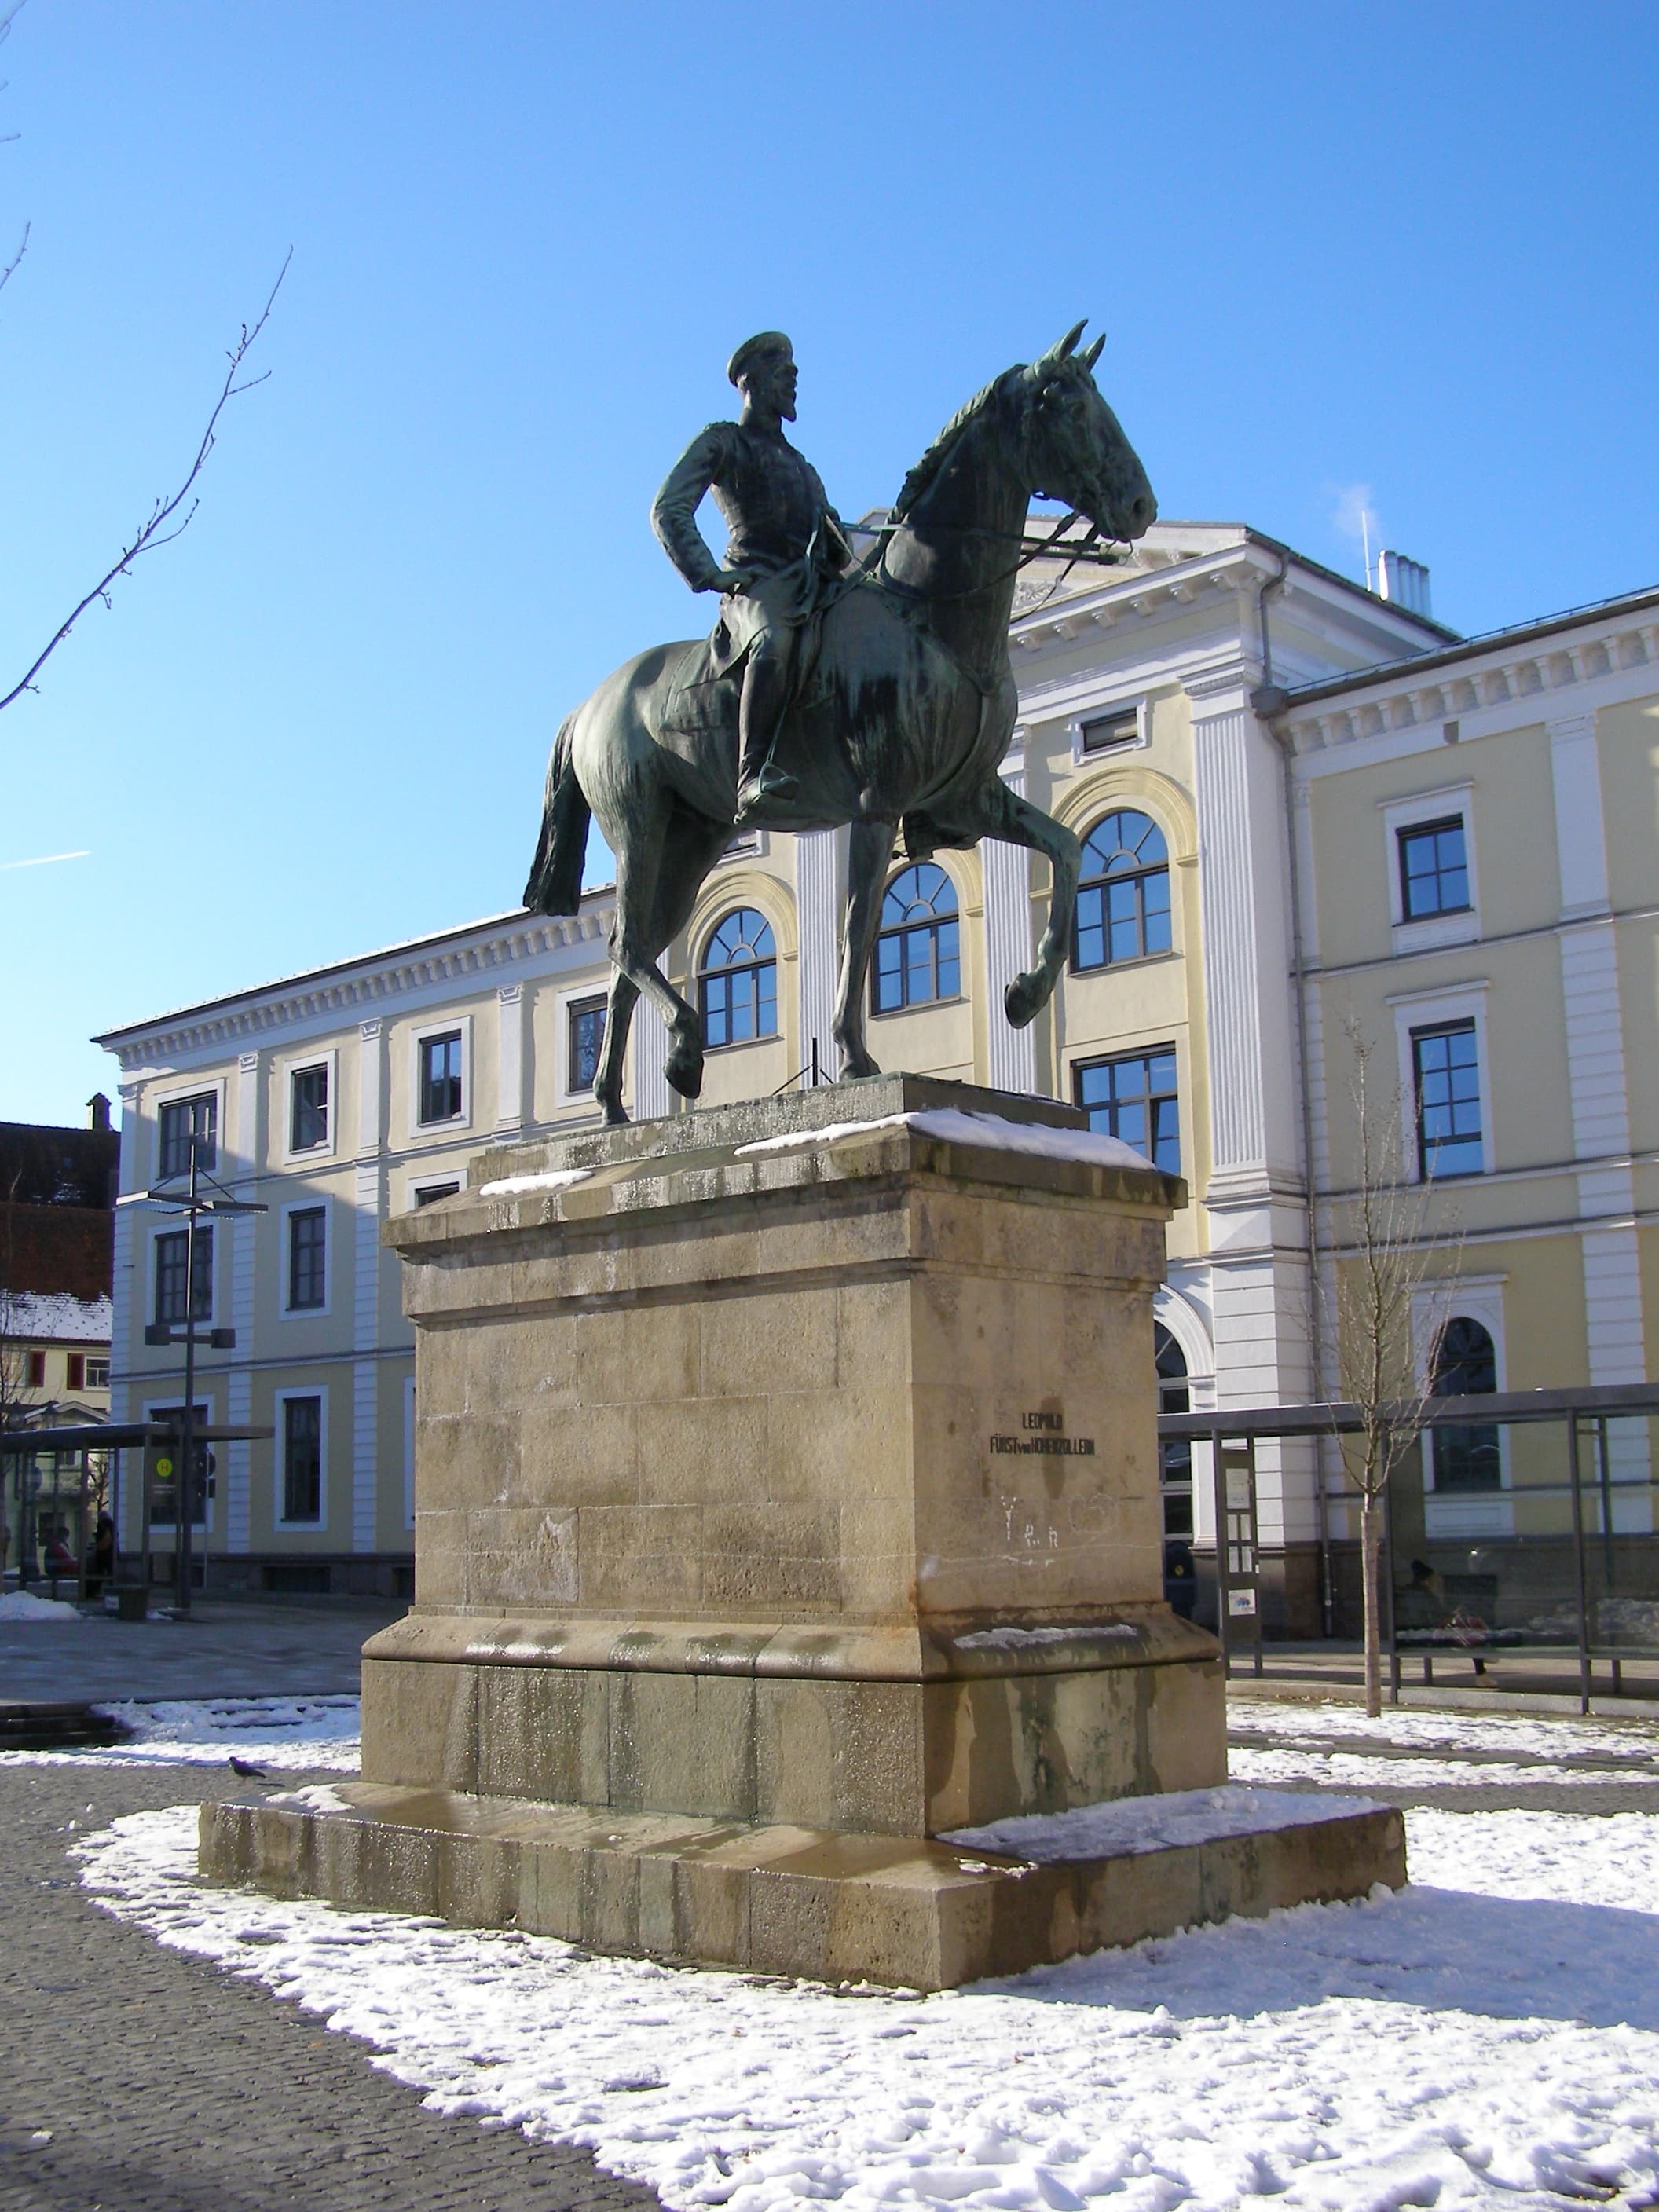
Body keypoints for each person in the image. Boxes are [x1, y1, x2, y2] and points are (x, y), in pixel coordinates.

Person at [651, 331, 853, 821]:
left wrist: (836, 544)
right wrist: (709, 574)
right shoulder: (724, 442)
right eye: (783, 374)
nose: (793, 382)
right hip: (755, 586)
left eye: (792, 375)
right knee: (771, 642)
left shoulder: (802, 467)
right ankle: (752, 773)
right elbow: (669, 508)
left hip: (810, 586)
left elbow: (836, 542)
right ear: (753, 381)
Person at [86, 1511, 117, 1599]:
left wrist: (96, 1546)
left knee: (99, 1572)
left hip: (104, 1553)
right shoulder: (113, 1525)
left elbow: (104, 1540)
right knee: (110, 1572)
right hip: (112, 1553)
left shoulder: (103, 1525)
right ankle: (114, 1590)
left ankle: (94, 1591)